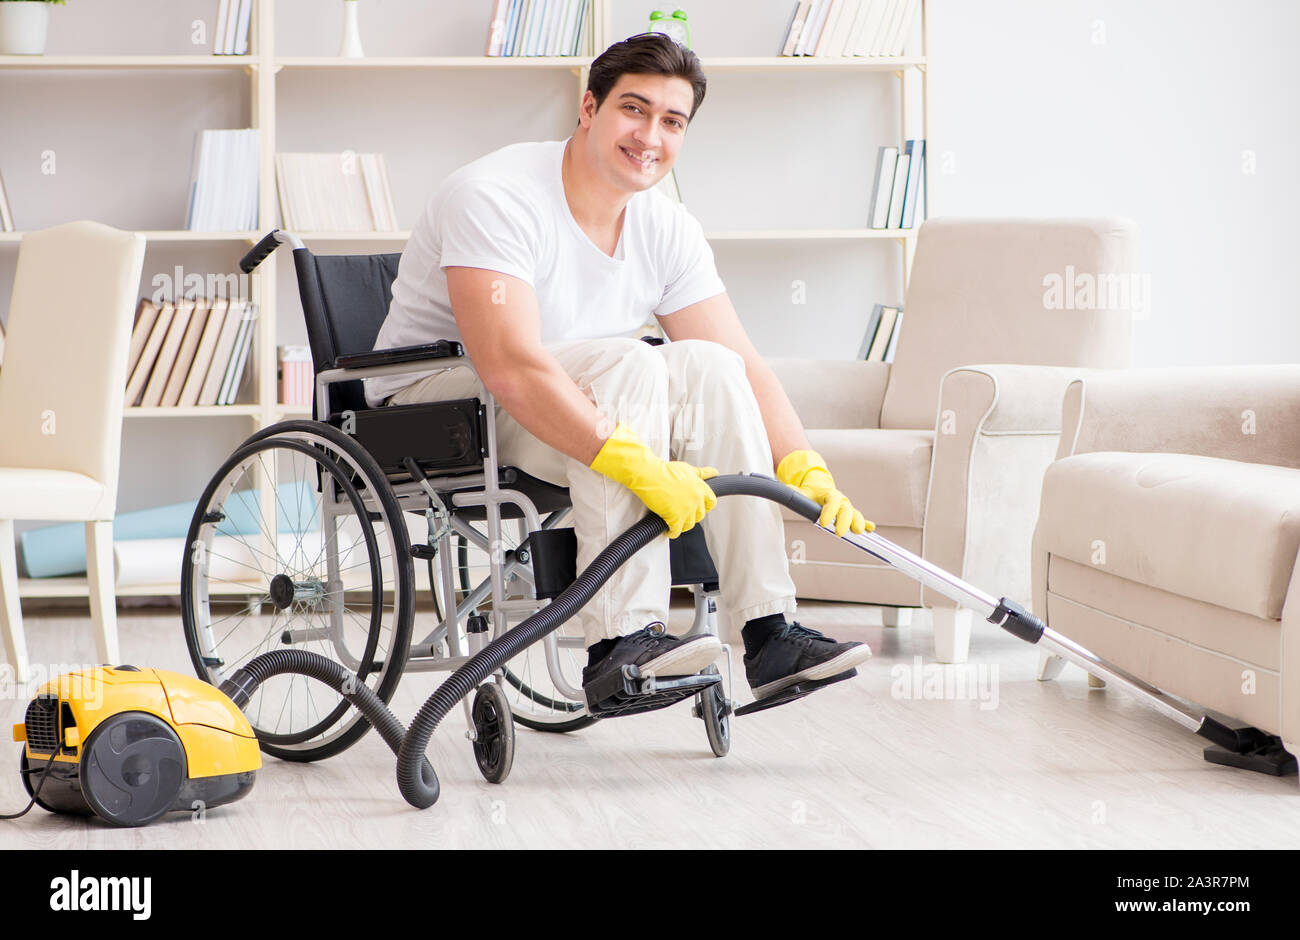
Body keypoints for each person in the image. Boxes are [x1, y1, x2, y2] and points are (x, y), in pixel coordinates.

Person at [364, 32, 874, 709]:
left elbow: (742, 365)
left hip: (580, 402)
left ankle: (769, 629)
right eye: (634, 110)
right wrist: (633, 462)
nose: (650, 135)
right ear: (589, 108)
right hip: (438, 411)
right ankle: (621, 643)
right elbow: (511, 366)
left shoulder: (667, 228)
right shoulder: (496, 195)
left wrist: (802, 465)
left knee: (708, 365)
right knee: (630, 360)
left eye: (672, 120)